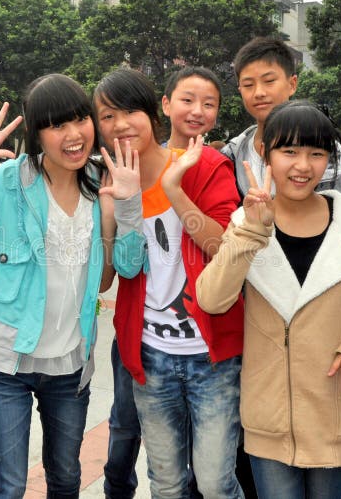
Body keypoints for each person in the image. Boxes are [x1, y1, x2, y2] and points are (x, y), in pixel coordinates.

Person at [0, 74, 144, 498]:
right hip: (6, 360)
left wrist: (129, 207)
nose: (73, 134)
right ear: (37, 133)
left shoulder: (105, 182)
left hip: (70, 364)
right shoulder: (10, 180)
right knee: (7, 485)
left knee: (65, 478)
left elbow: (127, 267)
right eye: (56, 124)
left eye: (81, 119)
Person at [197, 101, 341, 499]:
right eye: (290, 152)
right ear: (265, 154)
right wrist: (252, 232)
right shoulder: (245, 224)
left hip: (336, 409)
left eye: (316, 153)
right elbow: (211, 299)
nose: (303, 166)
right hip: (270, 418)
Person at [95, 67, 245, 498]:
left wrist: (174, 188)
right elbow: (116, 275)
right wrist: (119, 211)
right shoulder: (111, 183)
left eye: (129, 111)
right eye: (107, 117)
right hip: (150, 356)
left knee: (216, 483)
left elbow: (222, 248)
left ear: (152, 113)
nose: (120, 124)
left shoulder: (206, 165)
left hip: (211, 355)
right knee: (166, 483)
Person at [221, 37, 341, 200]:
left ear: (292, 84)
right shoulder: (231, 156)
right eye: (249, 85)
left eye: (269, 81)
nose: (259, 93)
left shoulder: (328, 150)